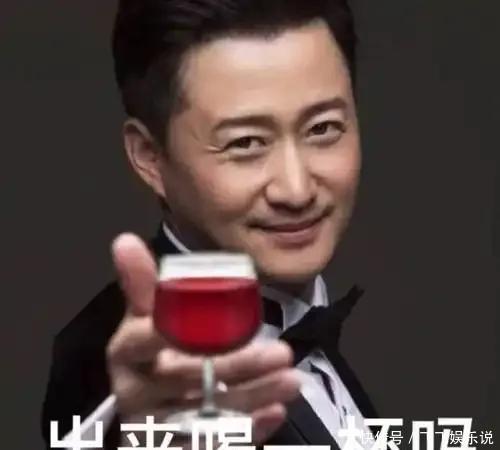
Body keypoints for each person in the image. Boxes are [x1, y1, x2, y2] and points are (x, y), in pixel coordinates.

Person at [42, 0, 378, 448]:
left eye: (322, 129)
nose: (297, 190)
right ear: (150, 157)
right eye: (246, 143)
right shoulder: (116, 362)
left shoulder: (310, 316)